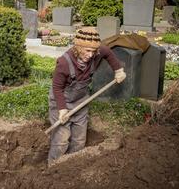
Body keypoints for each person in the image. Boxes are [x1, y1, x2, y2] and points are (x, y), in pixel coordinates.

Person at [48, 27, 126, 165]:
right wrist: (62, 110)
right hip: (61, 102)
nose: (91, 55)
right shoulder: (64, 63)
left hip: (81, 101)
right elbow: (57, 88)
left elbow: (107, 52)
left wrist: (118, 70)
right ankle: (53, 167)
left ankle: (73, 166)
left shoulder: (97, 51)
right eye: (87, 51)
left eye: (93, 51)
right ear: (78, 48)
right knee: (61, 140)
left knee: (79, 140)